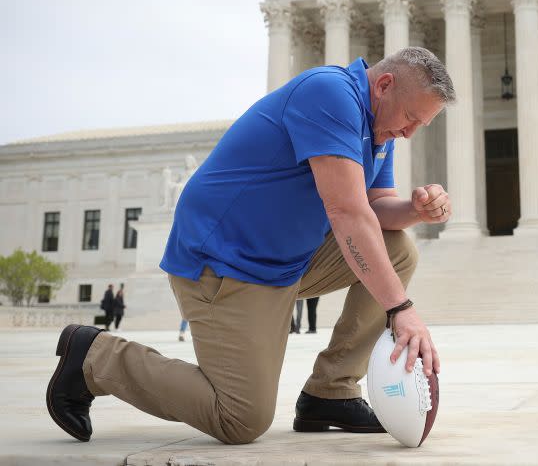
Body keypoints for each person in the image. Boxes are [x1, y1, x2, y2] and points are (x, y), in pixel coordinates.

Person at [46, 47, 453, 445]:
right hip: (223, 264)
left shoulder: (380, 128)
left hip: (284, 261)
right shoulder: (330, 94)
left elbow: (377, 208)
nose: (410, 132)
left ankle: (331, 392)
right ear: (383, 85)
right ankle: (95, 356)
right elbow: (347, 212)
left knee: (398, 248)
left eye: (422, 125)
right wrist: (400, 308)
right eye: (411, 118)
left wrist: (416, 210)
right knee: (240, 418)